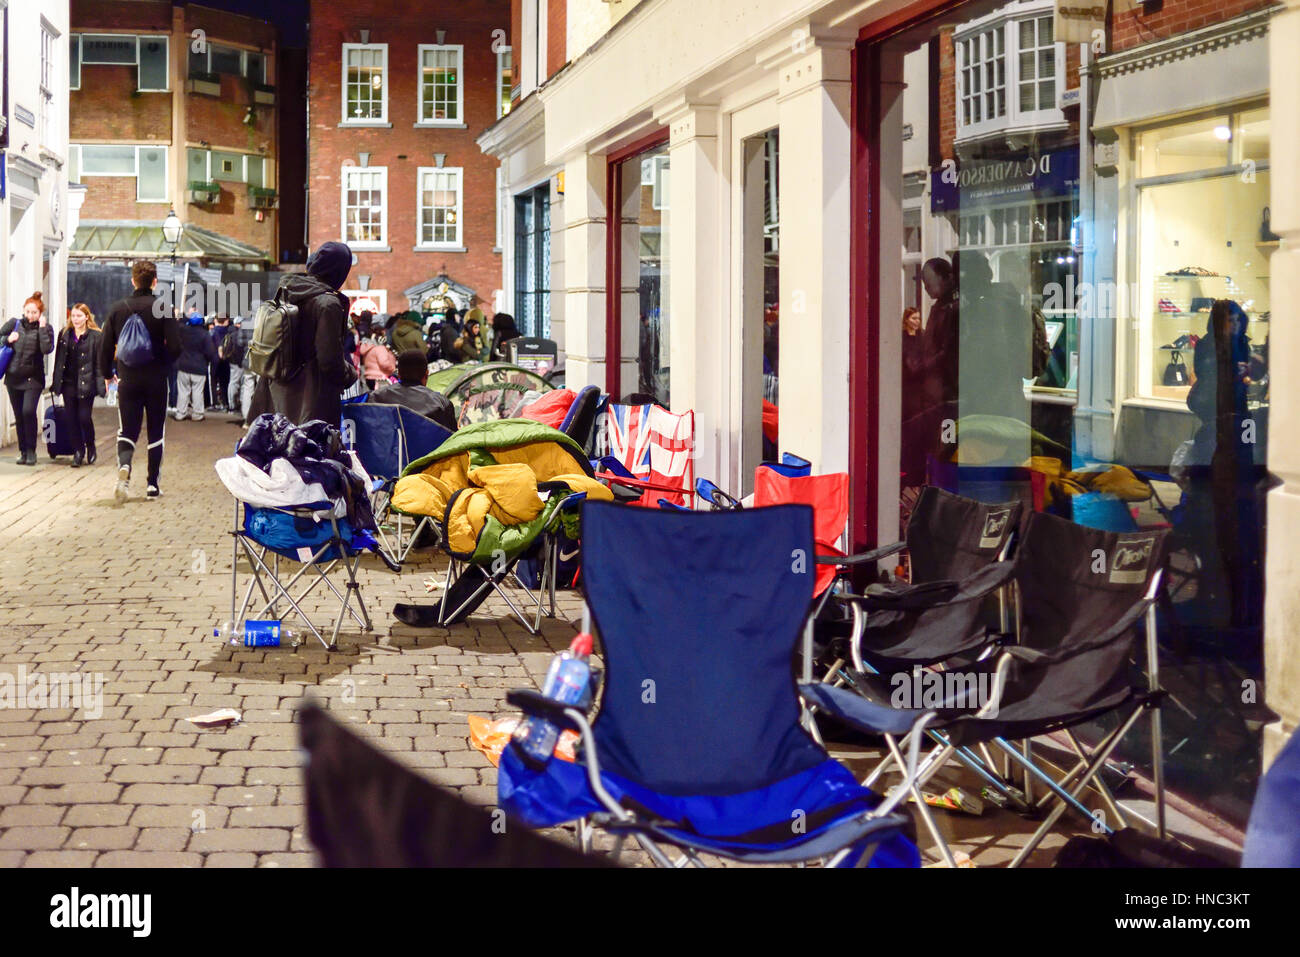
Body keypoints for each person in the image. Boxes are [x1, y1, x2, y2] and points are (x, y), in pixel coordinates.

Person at [99, 259, 182, 501]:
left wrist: (107, 374)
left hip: (128, 378)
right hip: (156, 379)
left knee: (127, 429)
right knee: (156, 430)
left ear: (133, 280)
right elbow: (176, 346)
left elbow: (104, 347)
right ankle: (152, 484)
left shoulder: (117, 308)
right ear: (155, 282)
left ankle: (124, 467)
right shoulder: (163, 308)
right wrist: (163, 361)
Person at [267, 241, 358, 426]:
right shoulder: (327, 303)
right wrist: (349, 374)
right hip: (311, 396)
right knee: (310, 451)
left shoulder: (288, 291)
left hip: (278, 387)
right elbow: (329, 359)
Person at [2, 292, 55, 466]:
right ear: (23, 311)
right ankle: (23, 451)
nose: (30, 315)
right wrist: (7, 339)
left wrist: (41, 328)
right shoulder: (14, 324)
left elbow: (47, 349)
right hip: (13, 377)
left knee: (28, 412)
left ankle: (31, 450)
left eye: (34, 312)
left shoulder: (46, 328)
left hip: (33, 379)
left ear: (40, 313)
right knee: (19, 415)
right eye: (28, 311)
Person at [51, 302, 105, 467]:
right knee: (71, 418)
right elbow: (59, 361)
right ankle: (78, 451)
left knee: (84, 417)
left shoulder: (95, 336)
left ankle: (90, 445)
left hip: (86, 382)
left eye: (79, 316)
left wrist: (101, 383)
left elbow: (99, 363)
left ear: (87, 317)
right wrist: (55, 382)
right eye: (73, 316)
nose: (75, 319)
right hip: (68, 383)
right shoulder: (65, 334)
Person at [370, 349, 458, 433]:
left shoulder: (375, 397)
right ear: (427, 374)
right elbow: (451, 440)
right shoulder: (442, 403)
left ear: (399, 374)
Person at [175, 311, 218, 420]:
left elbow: (178, 325)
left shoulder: (183, 331)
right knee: (197, 392)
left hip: (184, 365)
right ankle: (197, 414)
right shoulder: (204, 334)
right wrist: (211, 360)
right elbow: (210, 352)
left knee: (183, 391)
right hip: (199, 366)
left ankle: (180, 413)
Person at [220, 315, 258, 422]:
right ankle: (260, 414)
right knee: (261, 388)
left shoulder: (245, 323)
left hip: (248, 359)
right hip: (262, 360)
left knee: (247, 387)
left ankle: (246, 415)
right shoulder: (265, 320)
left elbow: (240, 343)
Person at [357, 324, 397, 390]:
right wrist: (392, 368)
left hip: (369, 376)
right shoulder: (380, 348)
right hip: (380, 378)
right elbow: (384, 363)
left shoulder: (369, 347)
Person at [210, 315, 233, 411]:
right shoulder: (229, 332)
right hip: (226, 360)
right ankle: (225, 402)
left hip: (215, 360)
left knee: (214, 382)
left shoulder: (213, 331)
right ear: (226, 320)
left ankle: (215, 403)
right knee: (225, 382)